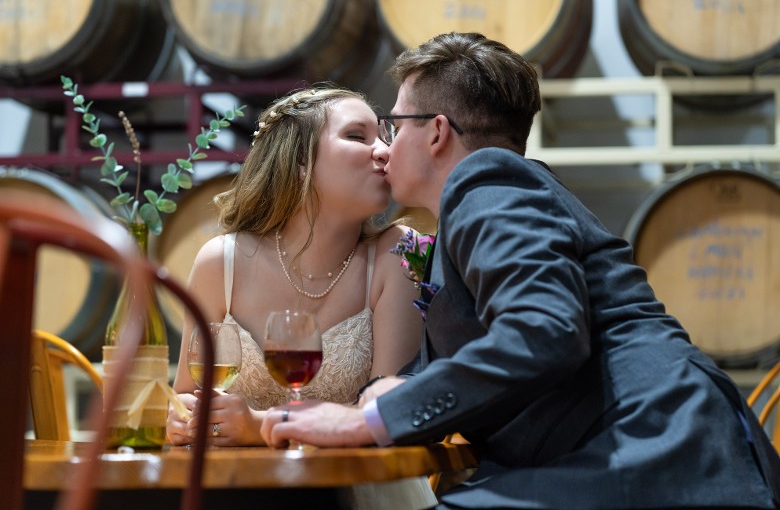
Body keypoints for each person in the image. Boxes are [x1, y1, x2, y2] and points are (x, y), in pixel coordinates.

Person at [259, 32, 780, 509]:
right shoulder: (481, 208)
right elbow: (459, 361)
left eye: (396, 126)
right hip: (627, 447)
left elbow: (545, 331)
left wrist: (370, 419)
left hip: (659, 449)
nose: (387, 146)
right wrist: (281, 418)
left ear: (437, 132)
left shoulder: (487, 185)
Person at [165, 85, 437, 509]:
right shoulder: (222, 262)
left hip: (361, 493)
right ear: (298, 163)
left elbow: (389, 422)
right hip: (241, 492)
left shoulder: (399, 255)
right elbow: (187, 399)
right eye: (357, 136)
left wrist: (260, 427)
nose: (384, 151)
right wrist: (186, 420)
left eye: (385, 136)